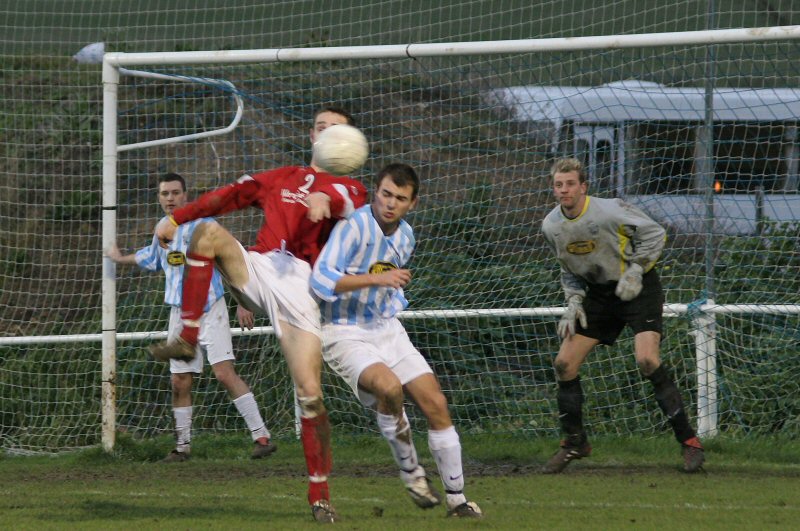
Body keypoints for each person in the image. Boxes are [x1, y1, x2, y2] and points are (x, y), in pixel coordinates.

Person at [149, 107, 368, 524]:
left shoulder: (351, 187)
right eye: (321, 126)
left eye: (336, 128)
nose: (327, 132)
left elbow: (342, 201)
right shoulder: (282, 177)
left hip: (302, 288)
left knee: (310, 396)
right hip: (260, 266)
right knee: (206, 233)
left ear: (349, 142)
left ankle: (319, 496)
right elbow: (227, 197)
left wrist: (325, 198)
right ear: (312, 136)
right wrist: (176, 217)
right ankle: (189, 334)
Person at [311, 163, 483, 519]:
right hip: (343, 330)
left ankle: (457, 500)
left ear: (412, 203)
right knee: (389, 389)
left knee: (435, 401)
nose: (390, 203)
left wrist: (388, 290)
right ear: (376, 191)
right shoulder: (352, 226)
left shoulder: (406, 236)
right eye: (386, 194)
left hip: (386, 327)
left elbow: (390, 284)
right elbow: (320, 279)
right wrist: (376, 280)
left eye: (400, 198)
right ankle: (411, 473)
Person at [540, 157, 705, 474]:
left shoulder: (610, 210)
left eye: (570, 184)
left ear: (583, 186)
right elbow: (569, 271)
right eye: (559, 185)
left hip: (638, 288)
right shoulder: (551, 226)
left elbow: (655, 233)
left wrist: (636, 270)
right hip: (599, 295)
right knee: (564, 364)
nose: (564, 190)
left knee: (647, 360)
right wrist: (573, 301)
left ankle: (690, 443)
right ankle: (575, 443)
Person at [107, 172, 276, 462]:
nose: (170, 198)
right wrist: (121, 258)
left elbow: (231, 262)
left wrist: (243, 302)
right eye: (165, 194)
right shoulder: (163, 228)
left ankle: (261, 437)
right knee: (179, 381)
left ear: (186, 195)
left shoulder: (206, 226)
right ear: (159, 198)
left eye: (175, 192)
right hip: (179, 314)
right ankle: (182, 447)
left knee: (224, 373)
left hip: (211, 309)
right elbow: (151, 258)